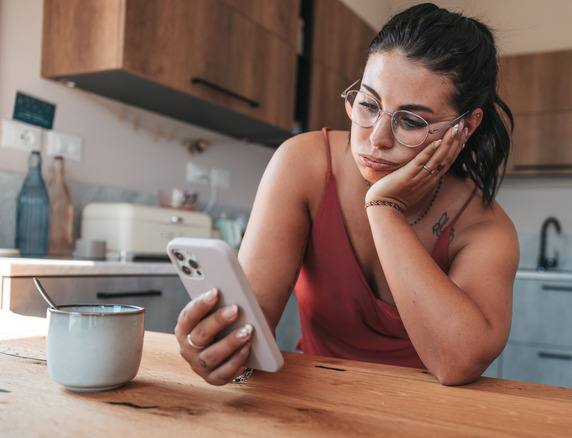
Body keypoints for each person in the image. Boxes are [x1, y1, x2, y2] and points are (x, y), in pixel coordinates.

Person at [174, 3, 519, 386]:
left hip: (422, 413)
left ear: (466, 126)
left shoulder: (484, 229)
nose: (377, 138)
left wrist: (383, 208)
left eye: (411, 121)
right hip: (315, 401)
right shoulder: (304, 164)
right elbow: (248, 332)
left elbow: (459, 362)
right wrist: (219, 348)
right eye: (369, 104)